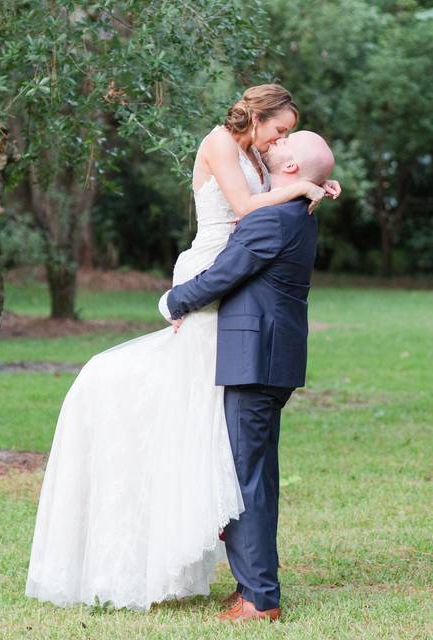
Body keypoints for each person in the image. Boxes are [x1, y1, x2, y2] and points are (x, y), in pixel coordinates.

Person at [25, 84, 337, 614]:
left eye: (287, 138)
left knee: (227, 449)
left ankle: (252, 588)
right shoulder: (225, 147)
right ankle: (233, 568)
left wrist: (311, 182)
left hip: (235, 301)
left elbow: (256, 229)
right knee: (215, 438)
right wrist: (303, 185)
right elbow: (244, 209)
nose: (279, 141)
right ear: (257, 117)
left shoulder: (272, 182)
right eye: (279, 130)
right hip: (220, 287)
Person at [161, 129, 335, 622]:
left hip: (253, 358)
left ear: (293, 169)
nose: (273, 143)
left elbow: (223, 276)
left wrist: (172, 301)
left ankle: (259, 598)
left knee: (245, 478)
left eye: (284, 141)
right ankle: (253, 586)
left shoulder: (272, 219)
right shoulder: (295, 211)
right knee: (257, 476)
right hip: (270, 358)